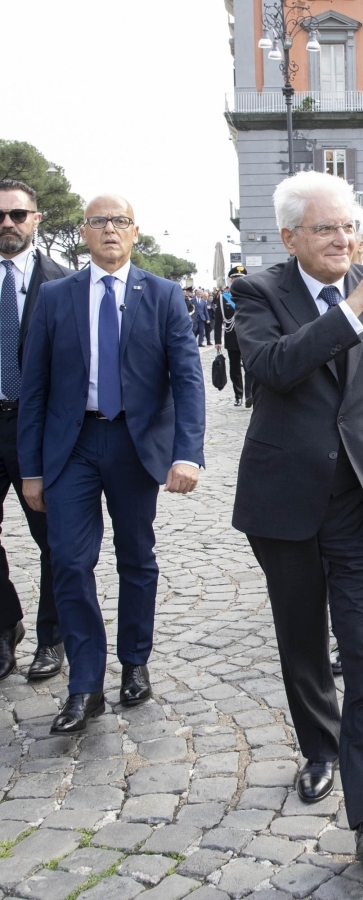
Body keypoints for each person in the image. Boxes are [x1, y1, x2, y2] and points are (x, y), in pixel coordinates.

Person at [231, 171, 363, 863]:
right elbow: (274, 367)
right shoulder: (257, 292)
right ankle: (319, 747)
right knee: (303, 641)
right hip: (283, 500)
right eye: (326, 229)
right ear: (289, 237)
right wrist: (348, 311)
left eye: (349, 227)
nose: (344, 240)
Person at [18, 194, 205, 734]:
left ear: (134, 231)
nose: (109, 230)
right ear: (83, 232)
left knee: (136, 557)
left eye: (118, 221)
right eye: (98, 221)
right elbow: (35, 390)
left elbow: (187, 379)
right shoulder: (55, 297)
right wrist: (32, 469)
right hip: (71, 446)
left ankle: (135, 663)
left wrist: (187, 453)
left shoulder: (165, 295)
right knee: (70, 563)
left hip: (133, 443)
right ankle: (84, 685)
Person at [0, 179, 68, 681]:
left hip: (38, 426)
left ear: (36, 219)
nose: (8, 224)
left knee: (53, 538)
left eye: (18, 215)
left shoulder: (62, 283)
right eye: (1, 216)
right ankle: (5, 628)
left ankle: (52, 639)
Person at [216, 266, 253, 407]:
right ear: (231, 280)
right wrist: (218, 340)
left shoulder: (251, 295)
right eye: (235, 278)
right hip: (232, 338)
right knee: (234, 368)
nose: (237, 281)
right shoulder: (223, 298)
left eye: (240, 278)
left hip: (249, 337)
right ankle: (238, 395)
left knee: (250, 367)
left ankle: (249, 395)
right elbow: (218, 320)